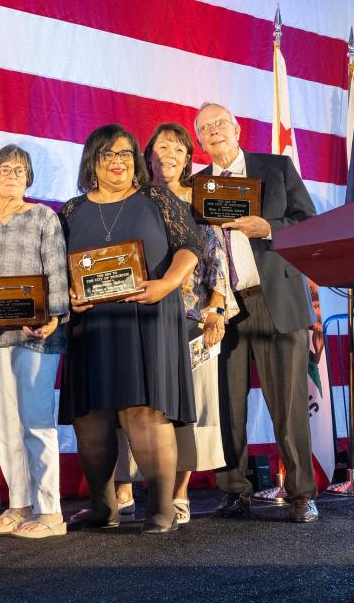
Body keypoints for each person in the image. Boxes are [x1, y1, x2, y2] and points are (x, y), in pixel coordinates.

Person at [59, 124, 203, 534]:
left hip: (149, 320)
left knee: (145, 412)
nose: (118, 161)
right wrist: (69, 296)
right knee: (91, 417)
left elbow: (191, 245)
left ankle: (161, 509)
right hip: (94, 324)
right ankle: (102, 507)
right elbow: (57, 269)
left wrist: (167, 284)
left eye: (125, 153)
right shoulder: (70, 211)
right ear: (92, 161)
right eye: (108, 154)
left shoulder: (156, 198)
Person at [192, 102, 319, 523]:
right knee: (227, 404)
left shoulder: (277, 167)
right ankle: (234, 492)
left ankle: (301, 494)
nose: (214, 132)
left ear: (237, 128)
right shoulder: (199, 184)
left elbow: (308, 222)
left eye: (219, 124)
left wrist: (265, 227)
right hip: (222, 307)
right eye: (205, 128)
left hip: (275, 298)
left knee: (289, 405)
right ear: (200, 139)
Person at [112, 123, 238, 524]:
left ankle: (178, 494)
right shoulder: (132, 198)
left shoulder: (200, 203)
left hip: (192, 320)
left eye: (178, 149)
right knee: (132, 404)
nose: (168, 154)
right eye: (161, 146)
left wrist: (216, 309)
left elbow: (217, 262)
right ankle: (125, 488)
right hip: (138, 317)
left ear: (187, 160)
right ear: (147, 154)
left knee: (188, 408)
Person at [0, 145, 69, 539]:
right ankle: (18, 504)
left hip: (37, 335)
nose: (12, 175)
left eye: (20, 170)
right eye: (4, 169)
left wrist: (54, 316)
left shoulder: (44, 217)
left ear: (29, 179)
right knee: (5, 424)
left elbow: (56, 270)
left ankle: (50, 512)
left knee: (37, 422)